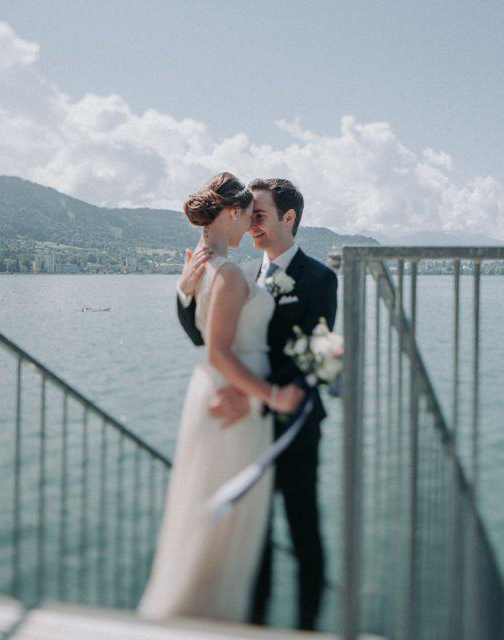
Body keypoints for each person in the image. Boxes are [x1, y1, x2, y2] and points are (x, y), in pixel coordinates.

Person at [175, 178, 337, 631]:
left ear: (289, 218)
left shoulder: (320, 278)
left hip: (293, 424)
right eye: (249, 216)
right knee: (253, 537)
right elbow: (206, 335)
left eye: (260, 216)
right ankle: (255, 625)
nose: (251, 226)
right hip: (244, 426)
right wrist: (184, 292)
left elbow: (314, 353)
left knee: (304, 530)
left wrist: (251, 394)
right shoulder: (242, 272)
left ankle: (308, 626)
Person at [137, 172, 299, 622]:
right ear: (231, 212)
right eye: (247, 212)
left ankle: (209, 614)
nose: (250, 222)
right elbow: (218, 351)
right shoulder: (225, 272)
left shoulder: (209, 267)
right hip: (233, 401)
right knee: (228, 516)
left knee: (211, 509)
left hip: (220, 395)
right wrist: (270, 395)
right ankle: (211, 617)